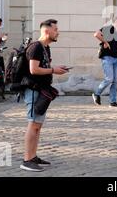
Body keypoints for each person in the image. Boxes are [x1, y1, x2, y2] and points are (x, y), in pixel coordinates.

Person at [20, 19, 69, 172]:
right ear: (47, 31)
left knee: (37, 126)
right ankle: (27, 160)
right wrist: (54, 70)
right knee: (33, 124)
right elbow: (34, 69)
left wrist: (56, 68)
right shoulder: (36, 47)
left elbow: (44, 67)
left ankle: (33, 156)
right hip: (34, 90)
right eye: (55, 29)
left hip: (42, 91)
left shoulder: (45, 48)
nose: (58, 32)